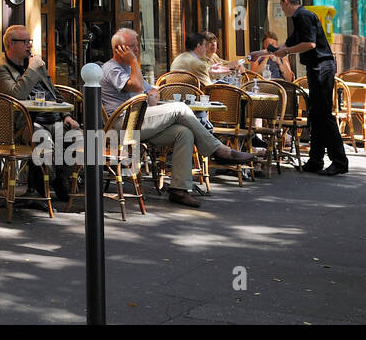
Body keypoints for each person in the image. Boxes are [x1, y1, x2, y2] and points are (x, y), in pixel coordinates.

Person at [100, 29, 255, 209]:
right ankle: (218, 151)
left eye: (136, 45)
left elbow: (152, 90)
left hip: (139, 122)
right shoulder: (112, 68)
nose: (137, 49)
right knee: (180, 108)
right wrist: (134, 62)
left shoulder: (129, 68)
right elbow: (136, 86)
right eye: (132, 46)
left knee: (184, 133)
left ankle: (179, 190)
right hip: (120, 125)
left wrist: (151, 96)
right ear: (119, 48)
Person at [0, 25, 77, 203]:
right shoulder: (1, 70)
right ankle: (47, 180)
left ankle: (58, 177)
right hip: (26, 124)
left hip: (53, 118)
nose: (30, 45)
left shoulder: (36, 66)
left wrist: (66, 115)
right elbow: (15, 97)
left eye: (30, 41)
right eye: (25, 42)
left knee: (82, 139)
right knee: (43, 139)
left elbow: (55, 93)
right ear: (10, 44)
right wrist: (31, 70)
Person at [271, 0, 348, 176]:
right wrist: (264, 52)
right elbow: (288, 44)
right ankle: (315, 160)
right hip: (317, 67)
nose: (281, 8)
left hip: (322, 66)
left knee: (323, 114)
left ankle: (339, 162)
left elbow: (309, 44)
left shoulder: (303, 16)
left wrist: (287, 51)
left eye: (281, 4)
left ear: (286, 1)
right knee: (316, 114)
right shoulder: (300, 17)